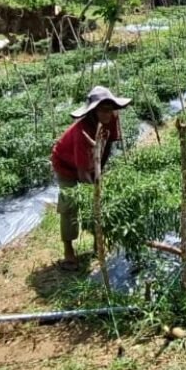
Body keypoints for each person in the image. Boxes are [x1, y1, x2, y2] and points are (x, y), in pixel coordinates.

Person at [51, 85, 132, 270]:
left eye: (110, 109)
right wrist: (93, 190)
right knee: (70, 205)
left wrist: (99, 172)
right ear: (94, 111)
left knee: (98, 204)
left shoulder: (112, 118)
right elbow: (81, 172)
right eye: (103, 110)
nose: (107, 114)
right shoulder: (82, 132)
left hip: (92, 162)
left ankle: (98, 244)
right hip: (67, 166)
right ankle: (69, 253)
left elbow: (109, 144)